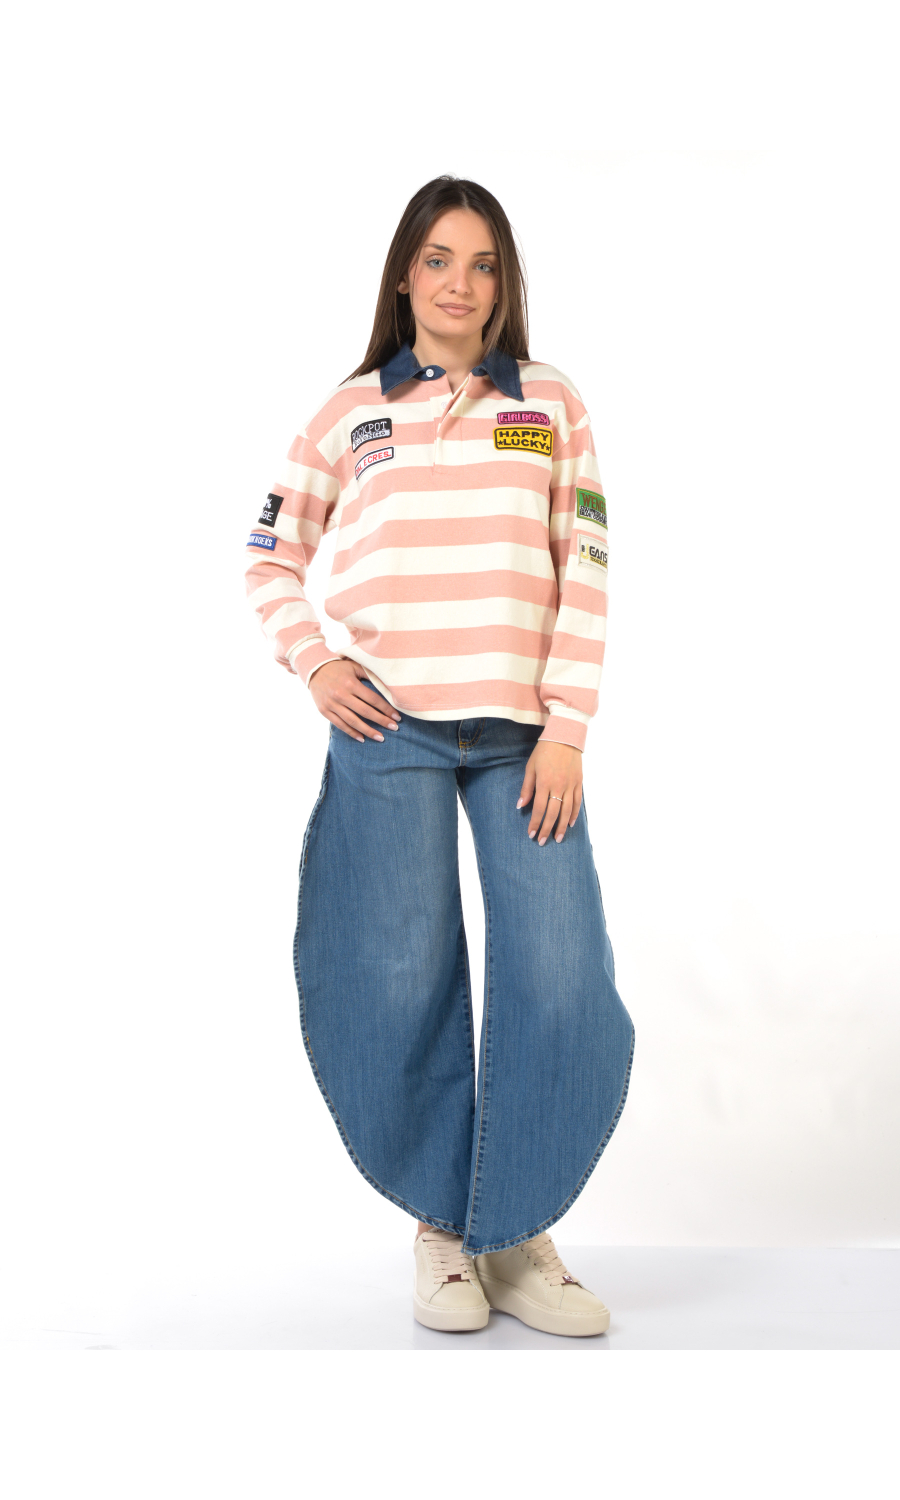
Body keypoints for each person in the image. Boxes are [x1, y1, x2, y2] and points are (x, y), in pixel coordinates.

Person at [245, 175, 634, 1338]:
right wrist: (316, 662)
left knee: (559, 975)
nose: (460, 284)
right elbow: (268, 551)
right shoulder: (352, 411)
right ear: (404, 275)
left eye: (483, 263)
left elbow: (588, 563)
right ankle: (443, 1229)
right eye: (438, 259)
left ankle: (515, 1228)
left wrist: (568, 726)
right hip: (390, 728)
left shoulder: (547, 402)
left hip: (524, 739)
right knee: (399, 975)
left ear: (504, 282)